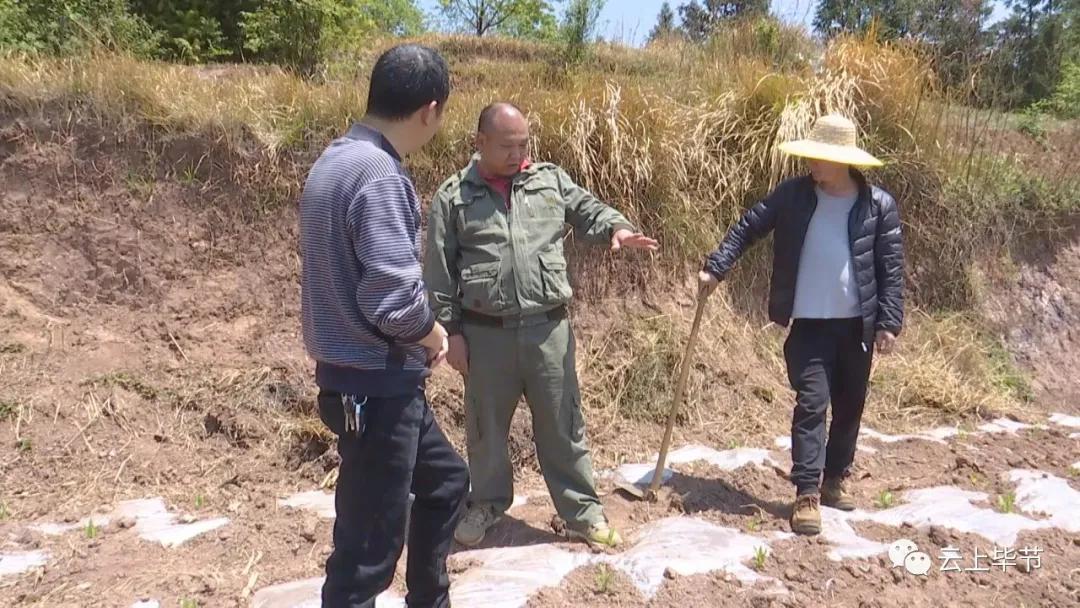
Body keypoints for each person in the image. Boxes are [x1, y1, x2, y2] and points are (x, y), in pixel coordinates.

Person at [424, 102, 659, 549]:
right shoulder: (454, 196)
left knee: (563, 425)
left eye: (523, 144)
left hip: (548, 332)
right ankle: (487, 504)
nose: (517, 154)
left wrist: (618, 229)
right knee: (485, 429)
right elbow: (438, 274)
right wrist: (451, 333)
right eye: (507, 146)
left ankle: (582, 513)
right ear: (480, 143)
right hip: (484, 336)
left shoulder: (548, 180)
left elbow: (589, 210)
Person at [299, 44, 468, 608]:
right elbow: (393, 304)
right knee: (366, 558)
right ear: (430, 109)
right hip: (374, 389)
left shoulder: (335, 158)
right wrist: (435, 334)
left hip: (369, 382)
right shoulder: (377, 173)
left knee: (446, 485)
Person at [698, 114, 905, 536]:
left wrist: (888, 321)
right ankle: (807, 493)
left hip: (856, 328)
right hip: (810, 326)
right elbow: (747, 227)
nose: (812, 162)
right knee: (812, 404)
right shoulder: (792, 196)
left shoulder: (878, 206)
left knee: (850, 407)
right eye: (811, 154)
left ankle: (834, 480)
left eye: (821, 157)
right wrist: (716, 268)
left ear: (844, 160)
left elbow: (891, 269)